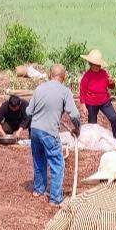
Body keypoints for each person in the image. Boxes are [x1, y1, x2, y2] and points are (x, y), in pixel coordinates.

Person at [28, 64, 82, 206]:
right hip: (50, 132)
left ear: (49, 74)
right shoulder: (65, 91)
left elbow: (28, 112)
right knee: (57, 164)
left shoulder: (39, 89)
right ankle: (55, 198)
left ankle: (38, 190)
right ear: (63, 77)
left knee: (39, 161)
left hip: (34, 130)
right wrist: (77, 128)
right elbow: (74, 114)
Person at [79, 49, 116, 142]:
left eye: (99, 65)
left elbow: (111, 86)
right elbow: (82, 91)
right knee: (92, 124)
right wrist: (83, 105)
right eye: (95, 65)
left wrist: (112, 82)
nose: (97, 67)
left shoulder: (104, 73)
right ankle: (91, 141)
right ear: (91, 64)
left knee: (114, 118)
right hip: (91, 103)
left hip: (105, 101)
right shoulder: (86, 76)